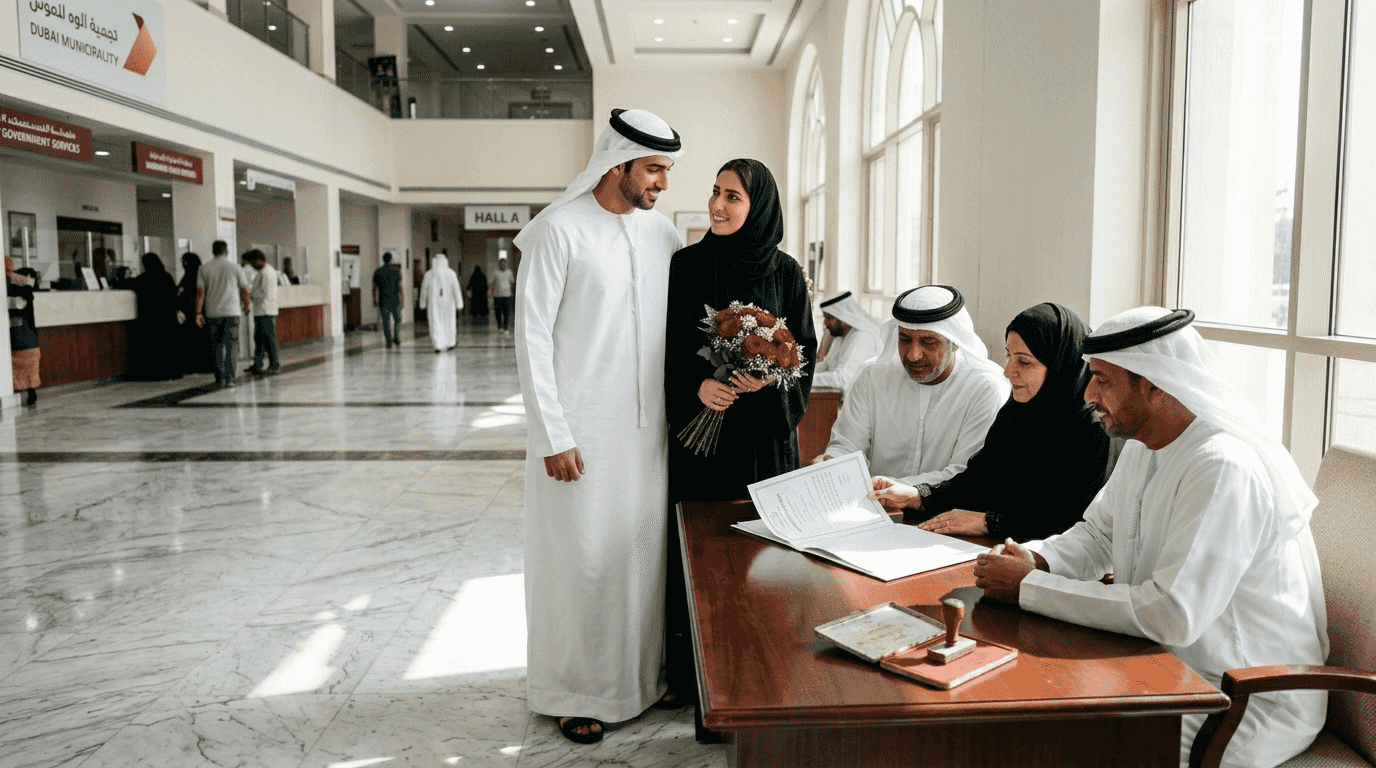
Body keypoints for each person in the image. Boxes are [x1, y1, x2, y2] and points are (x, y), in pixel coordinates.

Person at [973, 307, 1328, 768]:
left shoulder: (1223, 466)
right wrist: (1037, 560)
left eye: (1102, 380)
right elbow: (1099, 535)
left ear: (1156, 384)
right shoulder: (1147, 443)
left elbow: (1171, 615)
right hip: (1164, 668)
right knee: (1023, 720)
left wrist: (1029, 588)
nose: (1088, 394)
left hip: (1248, 697)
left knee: (1067, 748)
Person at [513, 108, 683, 745]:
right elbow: (530, 339)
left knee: (636, 559)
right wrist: (552, 433)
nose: (662, 182)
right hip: (577, 435)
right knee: (579, 563)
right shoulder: (558, 231)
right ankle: (572, 691)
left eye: (665, 170)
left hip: (647, 435)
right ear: (619, 165)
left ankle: (638, 682)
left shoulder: (663, 235)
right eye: (654, 169)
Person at [662, 157, 818, 734]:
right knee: (700, 563)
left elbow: (803, 358)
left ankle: (755, 681)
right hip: (702, 450)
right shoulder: (687, 266)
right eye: (715, 192)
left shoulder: (785, 272)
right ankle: (695, 677)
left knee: (759, 565)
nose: (718, 206)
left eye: (734, 198)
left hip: (762, 451)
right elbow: (667, 348)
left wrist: (770, 379)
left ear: (760, 209)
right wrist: (697, 387)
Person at [870, 302, 1112, 541]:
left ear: (1061, 363)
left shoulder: (1094, 429)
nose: (1008, 371)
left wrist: (989, 522)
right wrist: (917, 496)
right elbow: (978, 480)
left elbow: (1072, 523)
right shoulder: (1017, 410)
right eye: (1009, 356)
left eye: (1024, 362)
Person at [816, 285, 1009, 491]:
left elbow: (964, 473)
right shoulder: (872, 376)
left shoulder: (986, 388)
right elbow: (847, 447)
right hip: (875, 507)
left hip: (946, 513)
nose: (913, 355)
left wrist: (895, 489)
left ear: (955, 342)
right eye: (904, 339)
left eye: (928, 342)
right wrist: (832, 462)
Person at [195, 240, 251, 387]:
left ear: (213, 251)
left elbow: (201, 292)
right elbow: (245, 289)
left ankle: (219, 377)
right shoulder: (235, 267)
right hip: (232, 312)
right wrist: (247, 305)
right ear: (227, 251)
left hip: (213, 313)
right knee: (232, 345)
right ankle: (231, 378)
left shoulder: (204, 268)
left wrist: (198, 313)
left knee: (216, 346)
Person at [813, 290, 883, 390]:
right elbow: (827, 365)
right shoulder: (841, 336)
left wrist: (807, 380)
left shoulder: (863, 337)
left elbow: (843, 379)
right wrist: (799, 373)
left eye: (829, 318)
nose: (825, 323)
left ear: (843, 319)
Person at [127, 253, 181, 381]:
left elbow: (129, 284)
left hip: (149, 318)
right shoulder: (167, 276)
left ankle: (153, 373)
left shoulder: (143, 278)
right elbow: (174, 296)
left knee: (152, 347)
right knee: (167, 347)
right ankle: (170, 372)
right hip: (167, 317)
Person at [6, 257, 41, 405]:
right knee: (29, 365)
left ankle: (26, 392)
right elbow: (32, 285)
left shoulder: (14, 284)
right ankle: (30, 392)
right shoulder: (23, 285)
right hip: (27, 336)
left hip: (20, 337)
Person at [243, 250, 281, 376]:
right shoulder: (262, 272)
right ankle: (257, 364)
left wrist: (250, 294)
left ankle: (274, 365)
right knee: (259, 339)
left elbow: (263, 292)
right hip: (261, 311)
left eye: (252, 262)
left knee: (269, 339)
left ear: (258, 260)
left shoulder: (267, 272)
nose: (251, 265)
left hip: (266, 311)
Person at [176, 253, 214, 376]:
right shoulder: (202, 272)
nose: (183, 264)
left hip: (192, 312)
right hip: (203, 311)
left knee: (192, 340)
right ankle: (206, 366)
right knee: (202, 340)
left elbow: (184, 293)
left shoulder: (190, 275)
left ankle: (193, 366)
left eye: (183, 261)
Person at [418, 253, 462, 352]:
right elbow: (456, 290)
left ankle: (438, 344)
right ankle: (450, 343)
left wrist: (422, 304)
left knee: (435, 322)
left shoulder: (429, 274)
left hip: (434, 304)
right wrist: (459, 303)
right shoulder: (451, 273)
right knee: (449, 322)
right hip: (448, 304)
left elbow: (423, 290)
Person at [372, 252, 403, 348]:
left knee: (386, 322)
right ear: (391, 259)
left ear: (383, 259)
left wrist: (374, 299)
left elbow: (374, 287)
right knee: (397, 320)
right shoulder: (396, 271)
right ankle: (396, 338)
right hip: (395, 300)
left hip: (383, 300)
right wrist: (403, 300)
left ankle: (388, 341)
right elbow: (400, 287)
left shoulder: (378, 271)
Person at [491, 257, 515, 331]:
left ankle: (505, 327)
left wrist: (513, 293)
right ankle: (499, 326)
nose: (503, 265)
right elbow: (491, 283)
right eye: (501, 263)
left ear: (506, 264)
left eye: (504, 263)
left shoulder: (509, 272)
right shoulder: (495, 272)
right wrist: (490, 292)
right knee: (498, 312)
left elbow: (512, 282)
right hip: (497, 295)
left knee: (506, 312)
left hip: (507, 295)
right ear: (499, 264)